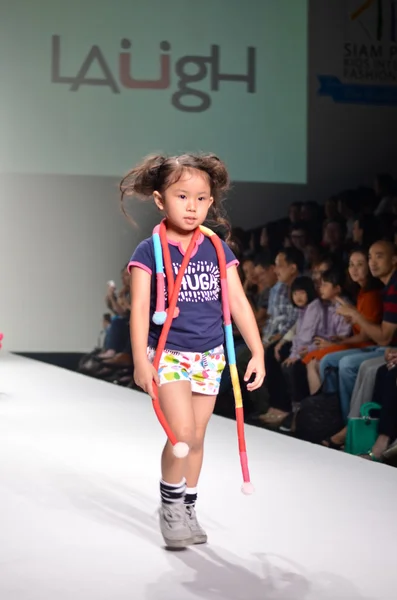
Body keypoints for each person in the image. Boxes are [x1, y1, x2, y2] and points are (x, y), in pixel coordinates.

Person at [122, 153, 265, 549]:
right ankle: (170, 505)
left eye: (202, 199)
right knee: (181, 433)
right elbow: (138, 312)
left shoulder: (218, 249)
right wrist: (139, 359)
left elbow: (237, 300)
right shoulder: (148, 251)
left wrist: (257, 351)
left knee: (198, 437)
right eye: (182, 196)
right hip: (168, 353)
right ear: (159, 199)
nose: (192, 206)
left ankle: (188, 506)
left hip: (210, 354)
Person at [317, 240, 397, 439]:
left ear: (394, 259)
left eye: (379, 256)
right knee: (329, 360)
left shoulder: (386, 290)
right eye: (370, 257)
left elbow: (382, 338)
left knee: (349, 364)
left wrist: (354, 316)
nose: (373, 262)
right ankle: (342, 422)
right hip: (380, 346)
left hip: (380, 347)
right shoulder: (382, 289)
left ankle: (353, 428)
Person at [304, 248, 383, 392]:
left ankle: (326, 409)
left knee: (318, 359)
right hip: (361, 343)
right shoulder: (361, 292)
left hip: (368, 345)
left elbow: (366, 335)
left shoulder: (371, 294)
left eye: (360, 264)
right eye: (351, 264)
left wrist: (338, 342)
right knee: (313, 358)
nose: (354, 269)